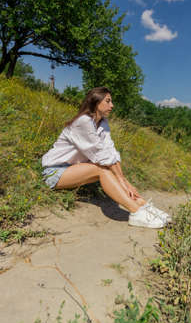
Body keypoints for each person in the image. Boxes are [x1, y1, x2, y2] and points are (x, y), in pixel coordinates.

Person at [42, 87, 171, 228]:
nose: (112, 105)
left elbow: (110, 151)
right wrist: (123, 181)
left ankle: (144, 206)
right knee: (102, 170)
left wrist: (125, 181)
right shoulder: (83, 122)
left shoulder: (103, 123)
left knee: (110, 171)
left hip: (74, 169)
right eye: (108, 101)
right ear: (96, 102)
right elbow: (101, 156)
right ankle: (136, 212)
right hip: (54, 171)